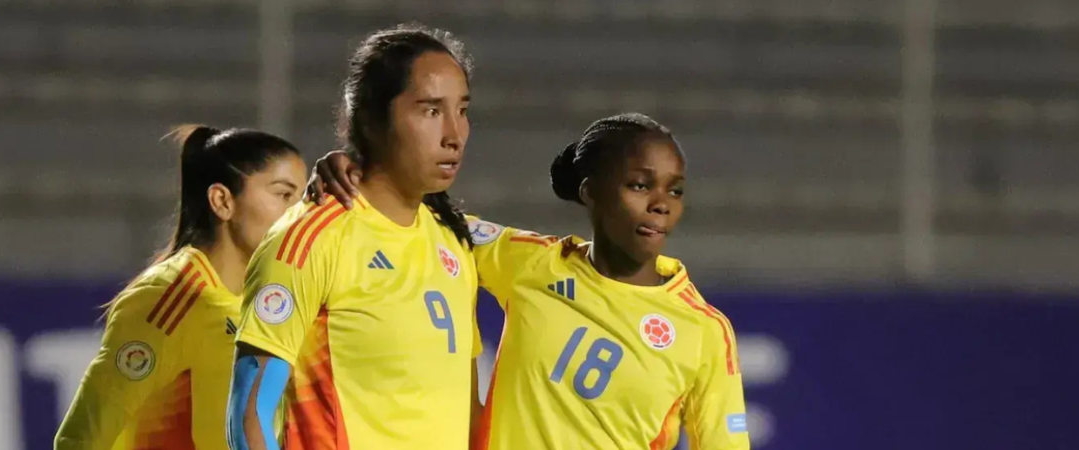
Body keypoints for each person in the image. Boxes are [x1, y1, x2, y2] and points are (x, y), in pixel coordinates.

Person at [308, 113, 751, 449]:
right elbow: (423, 217)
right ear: (590, 191)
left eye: (675, 190)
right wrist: (363, 171)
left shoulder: (704, 332)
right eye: (639, 186)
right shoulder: (532, 264)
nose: (661, 205)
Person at [226, 23, 482, 450]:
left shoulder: (453, 240)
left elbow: (467, 413)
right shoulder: (313, 237)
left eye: (463, 110)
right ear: (371, 118)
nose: (455, 135)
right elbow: (250, 413)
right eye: (431, 111)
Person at [55, 124, 307, 450]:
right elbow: (81, 439)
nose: (299, 215)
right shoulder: (170, 299)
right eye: (284, 195)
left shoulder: (269, 303)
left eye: (303, 199)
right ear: (222, 201)